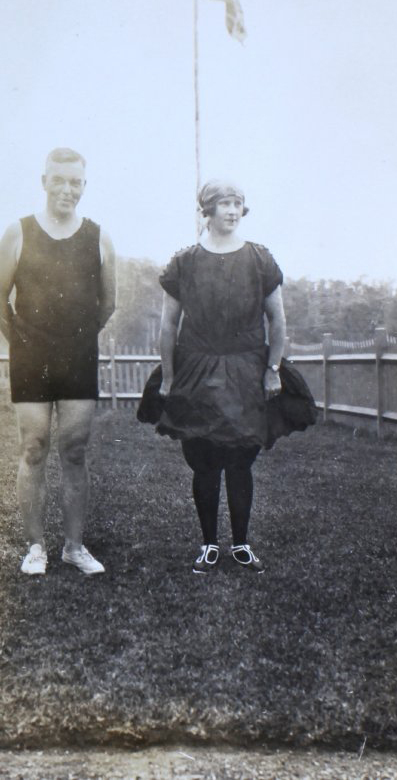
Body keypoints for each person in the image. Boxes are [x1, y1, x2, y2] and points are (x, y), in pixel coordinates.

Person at [0, 148, 116, 576]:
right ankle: (36, 547)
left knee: (75, 451)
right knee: (34, 447)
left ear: (85, 186)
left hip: (77, 358)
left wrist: (75, 343)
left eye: (75, 182)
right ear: (44, 181)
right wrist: (23, 343)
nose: (67, 189)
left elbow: (108, 304)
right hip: (30, 360)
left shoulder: (99, 237)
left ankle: (74, 547)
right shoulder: (19, 232)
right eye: (59, 180)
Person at [156, 181, 286, 575]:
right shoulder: (185, 262)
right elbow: (168, 325)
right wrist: (168, 377)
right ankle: (210, 544)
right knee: (205, 460)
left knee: (240, 461)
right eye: (224, 204)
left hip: (246, 370)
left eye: (238, 203)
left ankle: (242, 544)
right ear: (207, 211)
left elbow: (277, 319)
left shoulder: (259, 259)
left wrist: (272, 368)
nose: (232, 210)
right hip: (198, 370)